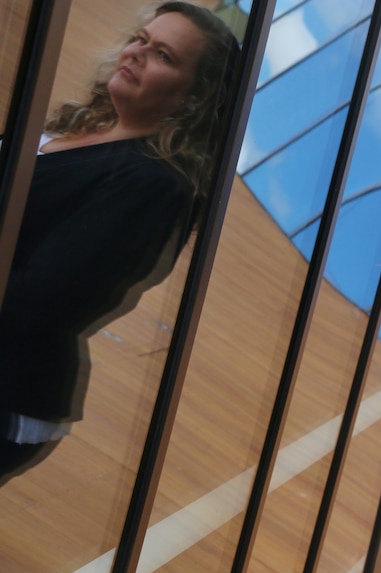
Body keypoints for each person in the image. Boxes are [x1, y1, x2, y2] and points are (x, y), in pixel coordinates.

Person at [0, 1, 239, 485]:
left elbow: (41, 299)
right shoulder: (80, 124)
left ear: (193, 97)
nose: (137, 54)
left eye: (163, 56)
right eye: (141, 40)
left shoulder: (154, 185)